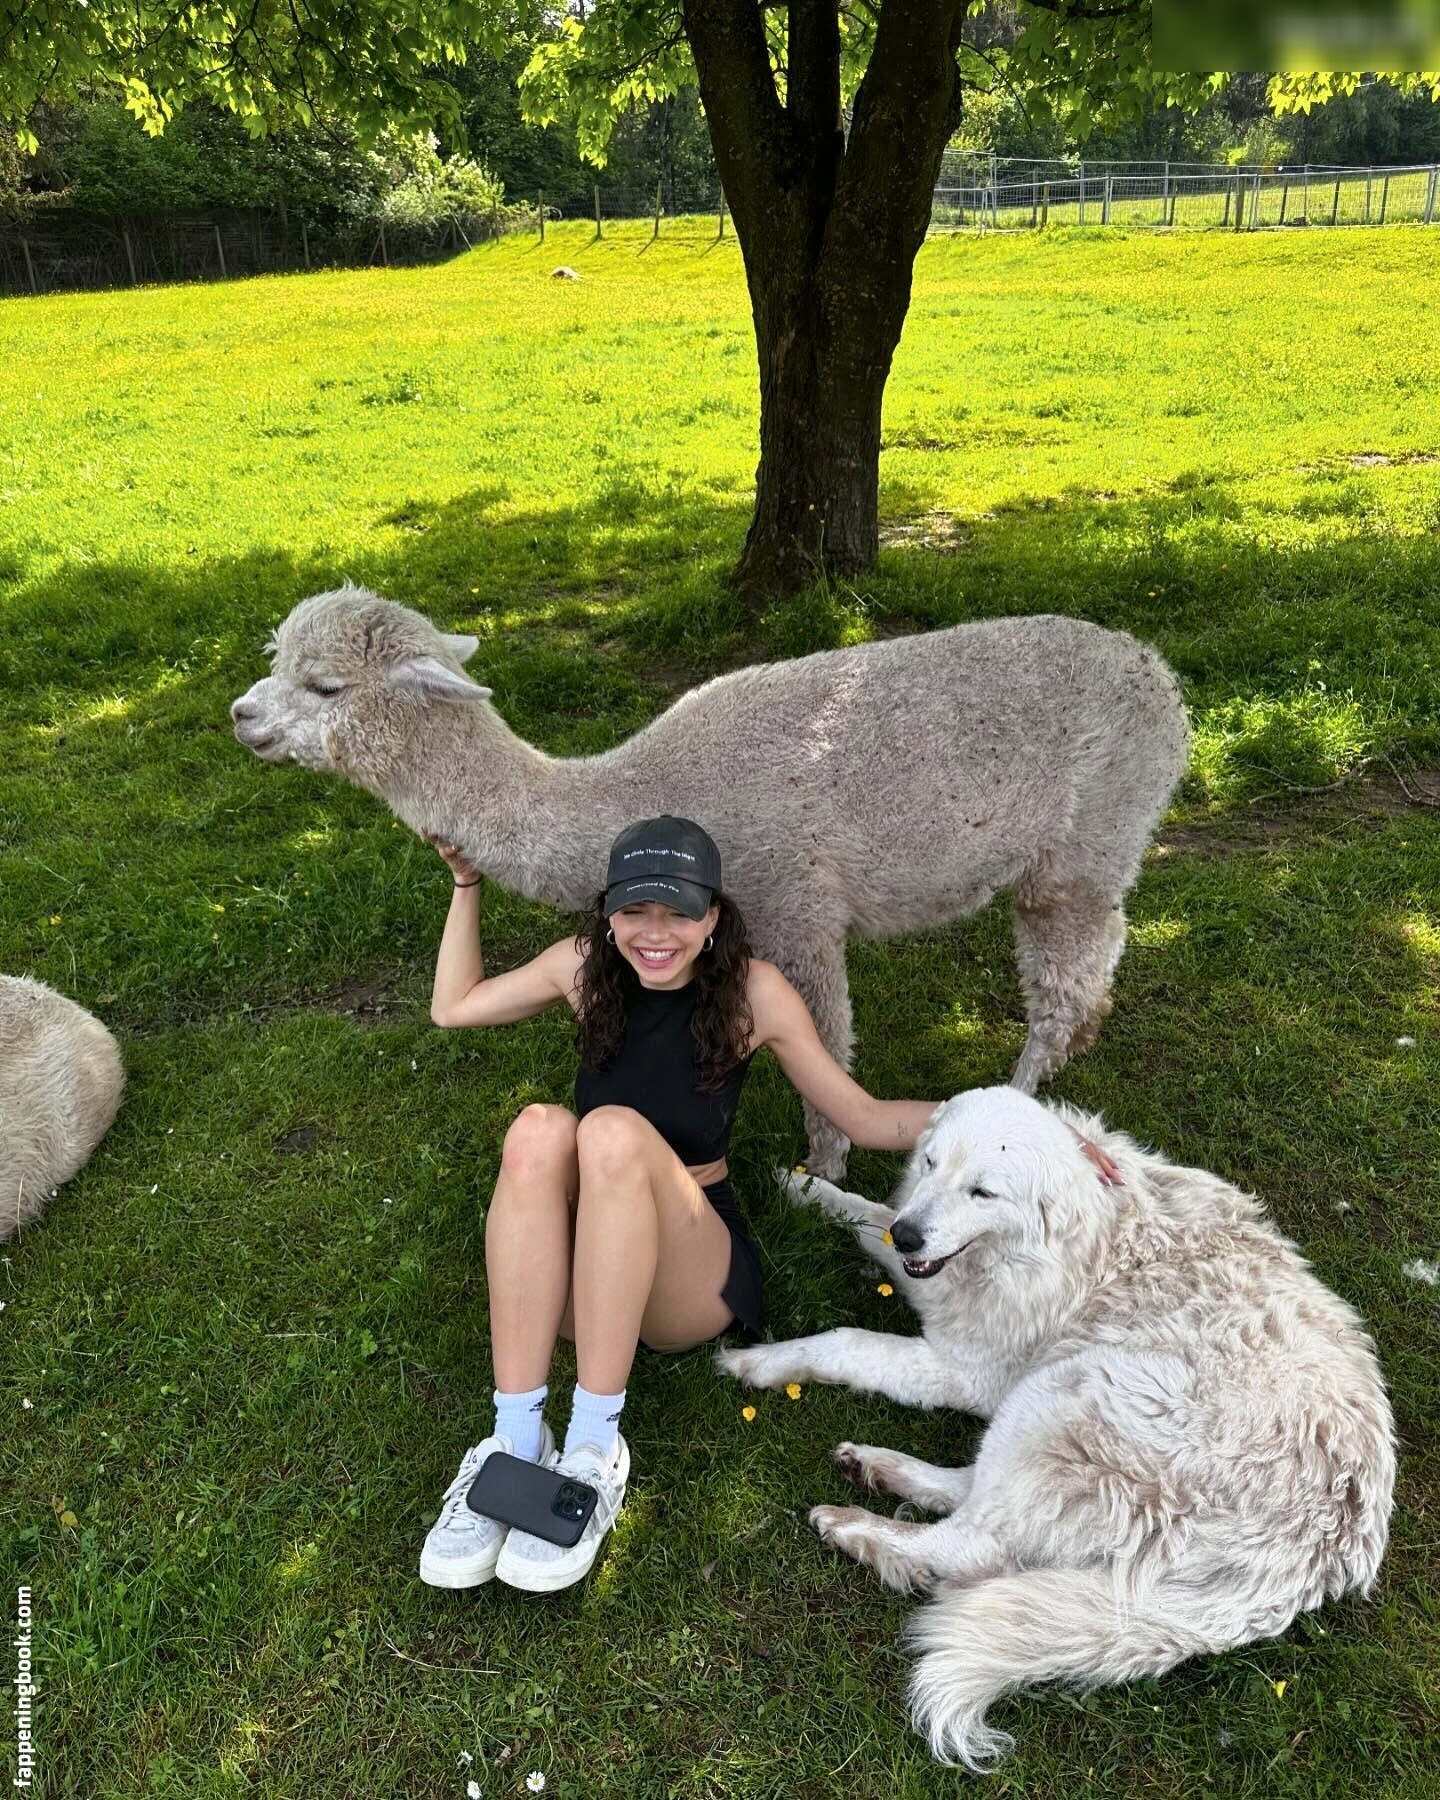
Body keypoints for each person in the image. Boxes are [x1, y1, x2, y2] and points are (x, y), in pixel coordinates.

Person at [417, 816, 938, 1594]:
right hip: (590, 1266)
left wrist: (1015, 1121)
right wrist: (466, 886)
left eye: (678, 913)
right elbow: (453, 1007)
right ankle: (513, 1441)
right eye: (635, 911)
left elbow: (863, 1119)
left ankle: (593, 1449)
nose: (655, 935)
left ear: (713, 917)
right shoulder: (585, 968)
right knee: (538, 1130)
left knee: (610, 1133)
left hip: (691, 1271)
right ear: (609, 913)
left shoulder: (754, 993)